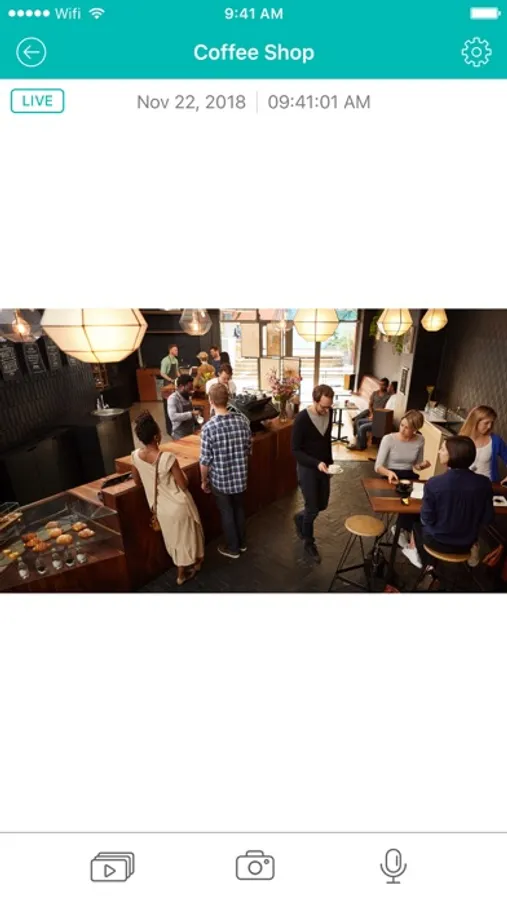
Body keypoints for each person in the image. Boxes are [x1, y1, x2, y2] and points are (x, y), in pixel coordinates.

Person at [130, 411, 204, 586]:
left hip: (160, 508)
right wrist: (183, 475)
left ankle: (183, 572)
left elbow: (137, 481)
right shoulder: (167, 458)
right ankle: (187, 570)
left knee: (174, 540)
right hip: (179, 505)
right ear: (157, 436)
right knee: (189, 537)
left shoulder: (135, 456)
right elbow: (183, 484)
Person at [402, 436, 494, 570]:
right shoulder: (484, 483)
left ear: (453, 455)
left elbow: (427, 519)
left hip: (437, 542)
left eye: (443, 449)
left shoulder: (434, 483)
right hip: (467, 544)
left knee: (416, 524)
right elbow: (487, 518)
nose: (439, 451)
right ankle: (474, 549)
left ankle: (424, 561)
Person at [199, 383, 252, 559]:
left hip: (221, 480)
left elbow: (205, 461)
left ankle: (233, 548)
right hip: (241, 477)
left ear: (211, 401)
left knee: (227, 513)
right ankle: (242, 544)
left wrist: (203, 480)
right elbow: (248, 449)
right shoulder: (243, 421)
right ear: (228, 399)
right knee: (239, 509)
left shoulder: (208, 428)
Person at [291, 384, 334, 563]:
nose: (326, 410)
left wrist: (330, 464)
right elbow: (295, 450)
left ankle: (299, 517)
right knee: (312, 508)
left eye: (329, 406)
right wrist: (316, 463)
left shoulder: (329, 413)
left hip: (323, 467)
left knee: (322, 504)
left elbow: (326, 441)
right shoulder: (302, 419)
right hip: (307, 467)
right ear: (315, 401)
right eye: (323, 407)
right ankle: (309, 543)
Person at [375, 409, 430, 483]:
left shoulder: (420, 439)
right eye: (401, 425)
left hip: (408, 476)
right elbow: (377, 467)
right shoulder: (388, 439)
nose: (402, 430)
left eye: (407, 428)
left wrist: (422, 466)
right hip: (389, 475)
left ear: (415, 429)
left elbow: (417, 466)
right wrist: (388, 473)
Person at [459, 405, 507, 483]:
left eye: (492, 423)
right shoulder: (461, 440)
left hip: (487, 485)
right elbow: (452, 466)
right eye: (486, 423)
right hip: (463, 484)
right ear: (475, 422)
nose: (489, 426)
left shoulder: (496, 441)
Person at [349, 380, 398, 452]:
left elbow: (386, 411)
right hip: (374, 413)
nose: (389, 388)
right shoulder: (387, 396)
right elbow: (371, 404)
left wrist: (375, 417)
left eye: (390, 386)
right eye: (380, 384)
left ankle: (361, 445)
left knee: (362, 427)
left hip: (380, 418)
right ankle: (359, 440)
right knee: (358, 421)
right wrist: (372, 413)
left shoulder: (390, 397)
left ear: (390, 387)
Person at [167, 374, 199, 440]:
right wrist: (191, 413)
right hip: (179, 433)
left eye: (192, 388)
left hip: (190, 431)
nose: (192, 391)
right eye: (189, 388)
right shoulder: (173, 398)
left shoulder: (187, 396)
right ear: (181, 386)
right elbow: (173, 416)